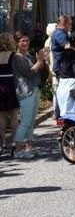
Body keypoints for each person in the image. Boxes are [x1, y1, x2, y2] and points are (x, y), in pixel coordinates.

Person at [11, 31, 46, 159]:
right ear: (17, 43)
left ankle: (29, 148)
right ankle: (18, 150)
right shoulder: (16, 57)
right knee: (25, 121)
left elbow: (38, 70)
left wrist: (41, 60)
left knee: (31, 122)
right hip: (25, 91)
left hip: (34, 89)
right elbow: (29, 73)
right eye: (22, 41)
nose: (25, 43)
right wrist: (40, 60)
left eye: (27, 40)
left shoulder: (29, 56)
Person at [0, 33, 19, 153]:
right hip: (10, 84)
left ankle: (3, 142)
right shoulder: (14, 56)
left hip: (0, 84)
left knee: (1, 115)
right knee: (13, 114)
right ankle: (14, 141)